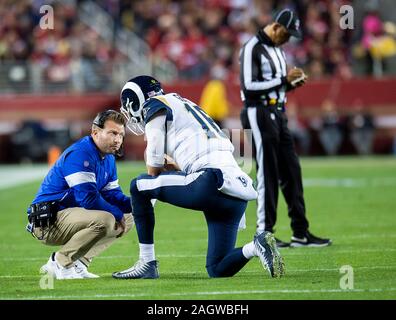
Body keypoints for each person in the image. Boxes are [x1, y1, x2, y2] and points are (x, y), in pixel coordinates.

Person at [112, 75, 285, 279]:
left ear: (135, 100)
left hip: (210, 181)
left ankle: (146, 263)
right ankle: (255, 247)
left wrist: (157, 171)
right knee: (217, 268)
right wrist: (174, 167)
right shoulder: (182, 102)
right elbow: (199, 155)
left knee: (138, 186)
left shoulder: (154, 104)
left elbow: (153, 166)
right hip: (236, 187)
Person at [239, 9, 331, 247]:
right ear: (276, 27)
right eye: (287, 34)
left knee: (292, 171)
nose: (288, 39)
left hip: (278, 113)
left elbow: (274, 87)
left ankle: (300, 232)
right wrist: (283, 81)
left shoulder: (277, 50)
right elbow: (249, 87)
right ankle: (263, 233)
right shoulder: (252, 47)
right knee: (267, 172)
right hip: (258, 112)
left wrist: (290, 86)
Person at [26, 110, 134, 280]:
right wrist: (117, 212)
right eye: (112, 133)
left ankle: (79, 263)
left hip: (72, 215)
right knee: (106, 219)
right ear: (95, 132)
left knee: (130, 216)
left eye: (121, 134)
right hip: (48, 221)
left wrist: (137, 203)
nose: (117, 139)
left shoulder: (108, 157)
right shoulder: (80, 154)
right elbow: (88, 199)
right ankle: (60, 263)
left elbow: (112, 194)